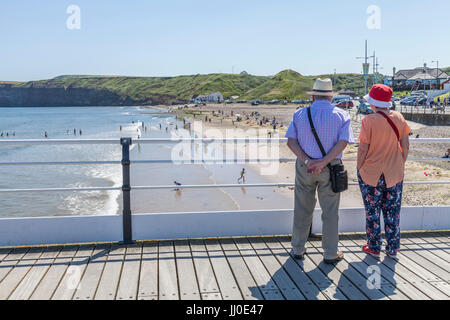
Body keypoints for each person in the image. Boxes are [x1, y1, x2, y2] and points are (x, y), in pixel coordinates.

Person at [285, 78, 355, 264]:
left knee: (302, 208)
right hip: (330, 167)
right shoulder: (342, 115)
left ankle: (298, 248)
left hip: (305, 166)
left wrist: (309, 161)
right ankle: (330, 253)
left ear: (314, 95)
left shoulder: (300, 114)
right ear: (331, 97)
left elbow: (291, 142)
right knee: (330, 212)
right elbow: (343, 142)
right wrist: (324, 161)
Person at [357, 84, 410, 260]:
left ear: (372, 103)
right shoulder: (399, 118)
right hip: (394, 173)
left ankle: (374, 246)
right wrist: (400, 162)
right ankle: (393, 247)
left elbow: (363, 149)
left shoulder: (368, 121)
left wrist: (359, 167)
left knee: (372, 212)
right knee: (392, 211)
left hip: (371, 173)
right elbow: (405, 145)